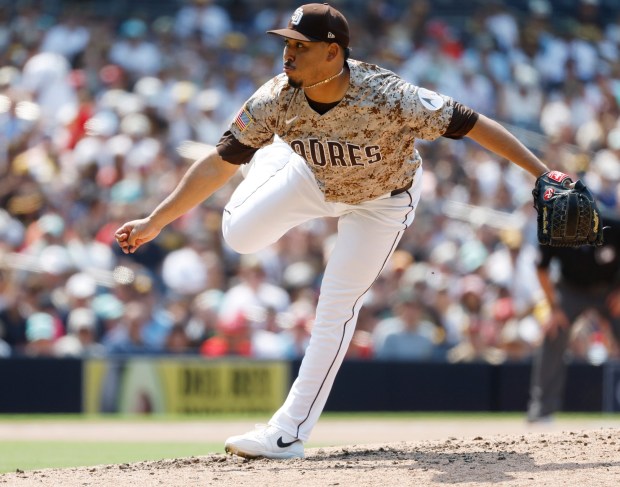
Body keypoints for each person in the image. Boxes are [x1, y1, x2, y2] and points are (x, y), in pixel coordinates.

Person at [115, 3, 554, 459]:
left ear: (332, 52)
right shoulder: (275, 97)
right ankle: (269, 156)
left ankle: (288, 433)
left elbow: (472, 123)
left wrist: (542, 173)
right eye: (286, 42)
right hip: (310, 178)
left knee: (336, 309)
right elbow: (216, 162)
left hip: (383, 202)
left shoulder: (389, 94)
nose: (288, 52)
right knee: (238, 236)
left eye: (299, 45)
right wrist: (156, 221)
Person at [527, 210, 620, 423]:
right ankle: (542, 410)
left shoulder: (614, 225)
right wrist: (553, 308)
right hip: (570, 290)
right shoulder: (553, 229)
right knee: (553, 332)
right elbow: (542, 270)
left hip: (609, 289)